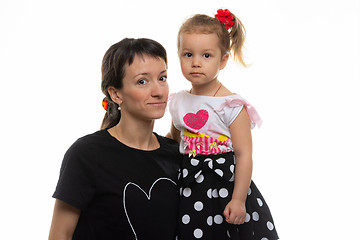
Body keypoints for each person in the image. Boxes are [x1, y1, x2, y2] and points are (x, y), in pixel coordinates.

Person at [48, 38, 181, 240]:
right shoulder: (87, 154)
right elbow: (60, 235)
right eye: (142, 81)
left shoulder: (176, 154)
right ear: (115, 94)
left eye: (162, 78)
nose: (158, 91)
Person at [167, 9, 279, 239]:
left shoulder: (231, 105)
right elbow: (173, 140)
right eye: (188, 54)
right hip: (189, 184)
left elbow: (244, 154)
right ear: (178, 55)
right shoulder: (178, 101)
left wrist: (238, 199)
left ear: (223, 60)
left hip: (225, 186)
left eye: (206, 56)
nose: (196, 63)